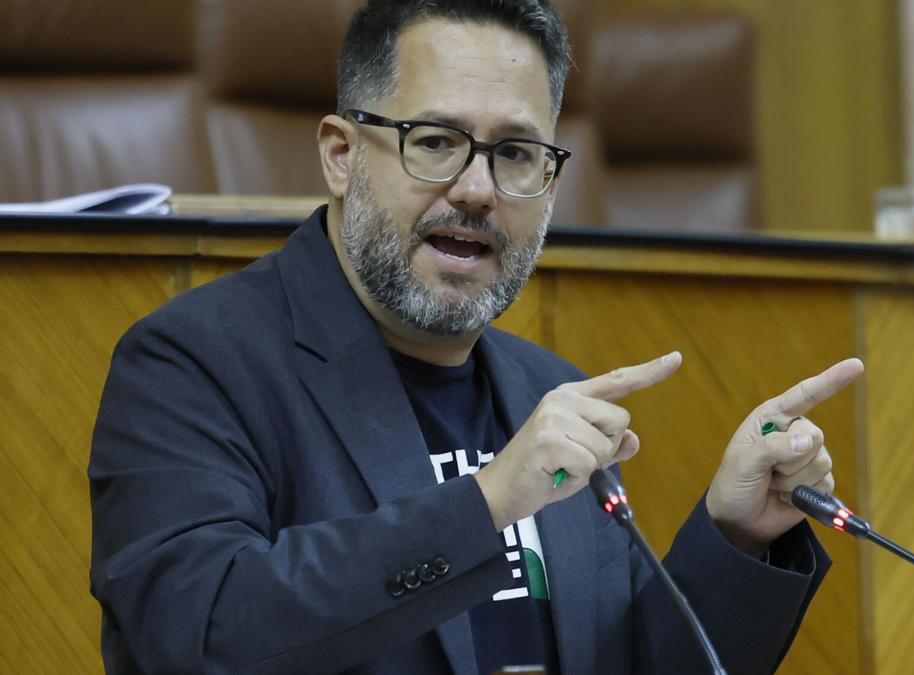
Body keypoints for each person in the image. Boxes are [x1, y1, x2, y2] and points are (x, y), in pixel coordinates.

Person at [88, 1, 864, 673]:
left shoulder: (544, 390)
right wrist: (489, 500)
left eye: (517, 154)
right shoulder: (193, 362)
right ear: (341, 154)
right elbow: (195, 635)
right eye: (435, 141)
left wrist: (735, 534)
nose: (477, 189)